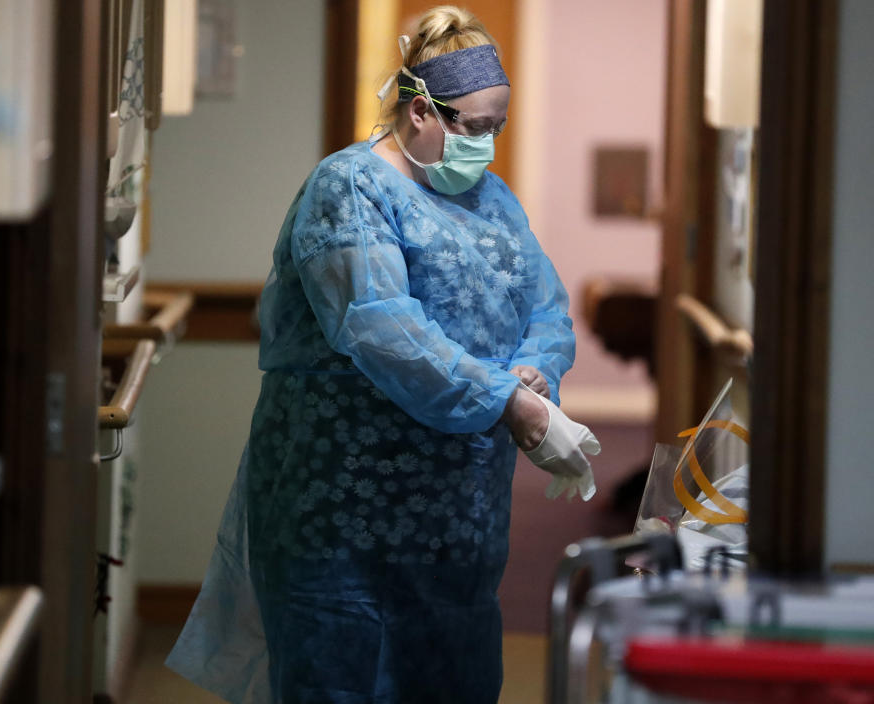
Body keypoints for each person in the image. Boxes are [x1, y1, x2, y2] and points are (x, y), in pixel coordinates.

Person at [166, 6, 599, 703]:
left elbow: (543, 303)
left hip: (457, 523)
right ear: (420, 109)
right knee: (343, 679)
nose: (486, 146)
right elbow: (383, 330)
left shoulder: (493, 201)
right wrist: (504, 400)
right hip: (343, 518)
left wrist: (536, 369)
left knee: (452, 678)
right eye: (473, 127)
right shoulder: (350, 189)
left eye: (498, 127)